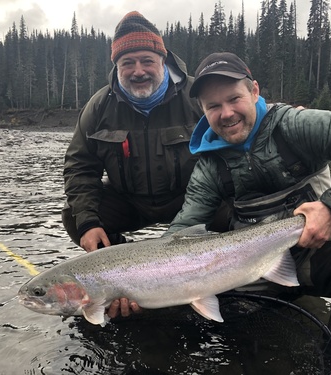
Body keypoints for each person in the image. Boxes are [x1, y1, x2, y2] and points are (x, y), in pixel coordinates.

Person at [161, 52, 331, 357]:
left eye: (234, 99)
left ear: (254, 91)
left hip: (316, 254)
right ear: (203, 110)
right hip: (250, 271)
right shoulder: (209, 165)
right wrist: (137, 282)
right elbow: (183, 229)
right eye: (213, 106)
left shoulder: (294, 124)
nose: (226, 113)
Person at [62, 12, 228, 317]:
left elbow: (238, 130)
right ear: (116, 67)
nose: (138, 71)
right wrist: (88, 222)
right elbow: (80, 168)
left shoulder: (197, 97)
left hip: (190, 202)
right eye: (127, 63)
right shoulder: (99, 107)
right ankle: (126, 280)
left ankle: (222, 273)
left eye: (147, 61)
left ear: (163, 60)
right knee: (77, 218)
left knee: (234, 208)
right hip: (131, 202)